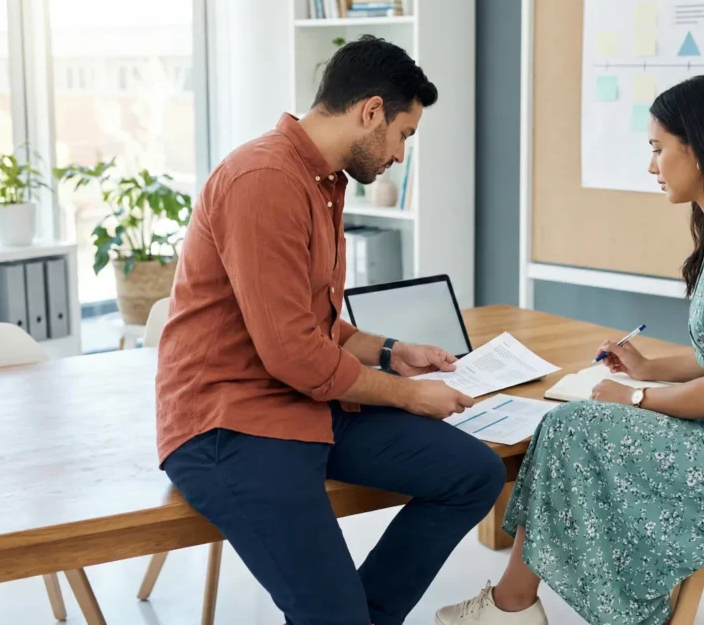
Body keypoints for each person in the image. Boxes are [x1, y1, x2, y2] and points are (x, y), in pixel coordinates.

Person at [436, 74, 704, 625]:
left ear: (699, 150)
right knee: (573, 427)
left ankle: (515, 605)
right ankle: (514, 603)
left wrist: (637, 396)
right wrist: (649, 367)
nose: (652, 166)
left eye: (657, 149)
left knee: (575, 426)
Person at [155, 34, 506, 625]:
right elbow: (293, 353)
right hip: (230, 423)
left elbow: (312, 324)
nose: (399, 155)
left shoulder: (321, 182)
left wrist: (391, 352)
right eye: (403, 136)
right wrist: (410, 396)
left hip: (302, 403)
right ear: (371, 111)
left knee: (474, 473)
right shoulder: (263, 180)